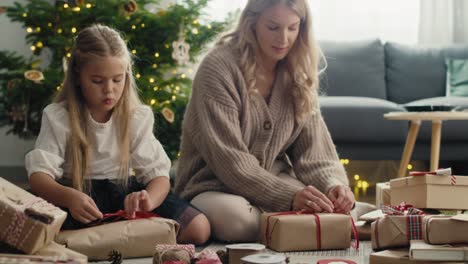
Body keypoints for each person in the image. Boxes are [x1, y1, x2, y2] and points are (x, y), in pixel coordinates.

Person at [174, 0, 355, 242]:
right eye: (273, 27)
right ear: (252, 23)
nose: (283, 39)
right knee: (240, 224)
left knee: (326, 204)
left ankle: (299, 224)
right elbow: (231, 162)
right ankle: (305, 224)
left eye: (293, 28)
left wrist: (333, 185)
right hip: (212, 184)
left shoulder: (297, 71)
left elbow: (315, 154)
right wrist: (290, 197)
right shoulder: (218, 68)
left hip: (273, 179)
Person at [25, 24, 210, 245]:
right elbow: (38, 178)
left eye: (117, 79)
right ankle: (110, 238)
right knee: (31, 233)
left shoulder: (136, 117)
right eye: (97, 81)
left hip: (124, 194)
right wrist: (69, 197)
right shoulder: (59, 117)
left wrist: (147, 200)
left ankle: (108, 237)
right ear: (77, 76)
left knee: (199, 228)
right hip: (76, 196)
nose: (109, 90)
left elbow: (159, 177)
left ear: (127, 75)